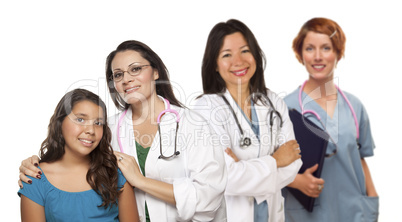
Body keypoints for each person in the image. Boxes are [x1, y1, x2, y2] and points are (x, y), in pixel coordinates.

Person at [19, 40, 227, 222]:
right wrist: (33, 164)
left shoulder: (194, 124)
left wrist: (140, 181)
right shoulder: (104, 129)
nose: (126, 79)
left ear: (155, 72)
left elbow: (208, 198)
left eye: (135, 69)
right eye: (118, 74)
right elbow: (71, 160)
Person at [192, 19, 302, 222]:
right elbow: (223, 178)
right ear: (215, 64)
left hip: (271, 213)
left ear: (256, 55)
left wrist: (243, 168)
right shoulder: (205, 108)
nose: (238, 61)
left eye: (245, 50)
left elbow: (293, 163)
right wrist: (275, 160)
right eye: (227, 55)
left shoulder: (273, 101)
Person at [282, 17, 379, 221]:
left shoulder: (355, 106)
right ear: (300, 54)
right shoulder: (284, 108)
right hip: (306, 215)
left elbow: (360, 159)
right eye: (309, 49)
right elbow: (267, 167)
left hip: (353, 212)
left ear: (338, 52)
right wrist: (297, 181)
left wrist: (372, 200)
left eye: (326, 48)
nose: (318, 57)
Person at [18, 88, 139, 221]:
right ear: (60, 123)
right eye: (80, 120)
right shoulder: (35, 178)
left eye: (98, 123)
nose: (91, 130)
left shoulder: (115, 174)